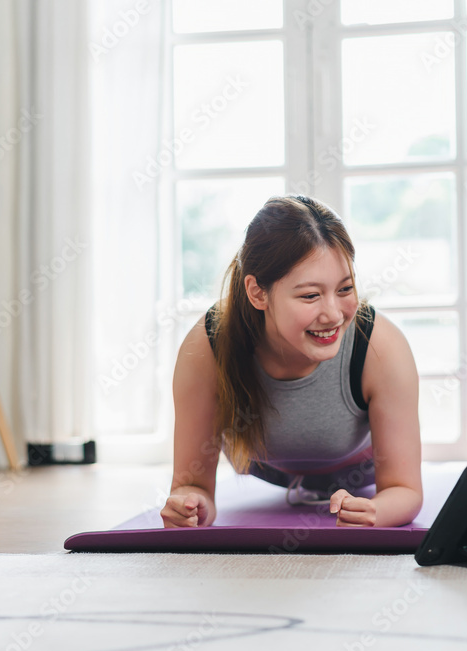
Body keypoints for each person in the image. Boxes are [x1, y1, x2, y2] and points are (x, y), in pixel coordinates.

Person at [160, 195, 422, 529]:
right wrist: (191, 506)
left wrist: (376, 512)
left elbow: (405, 489)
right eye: (310, 295)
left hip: (358, 474)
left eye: (345, 289)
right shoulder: (207, 345)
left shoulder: (379, 345)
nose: (332, 314)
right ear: (258, 293)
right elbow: (192, 486)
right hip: (270, 473)